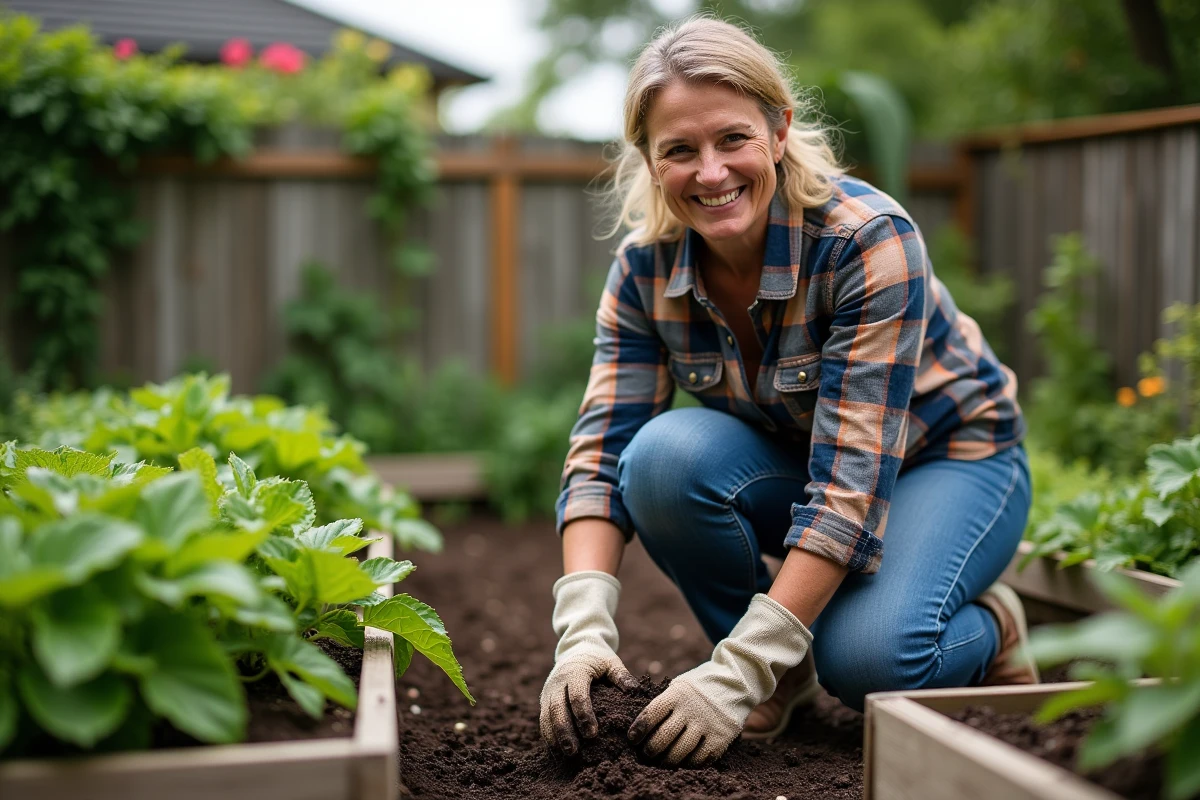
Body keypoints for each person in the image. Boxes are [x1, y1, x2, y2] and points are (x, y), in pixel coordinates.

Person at [538, 16, 1034, 768]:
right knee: (661, 460)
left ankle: (993, 624)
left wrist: (736, 667)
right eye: (679, 150)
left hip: (952, 459)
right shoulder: (644, 272)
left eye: (732, 138)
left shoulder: (865, 241)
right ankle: (781, 678)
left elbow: (850, 487)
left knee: (870, 664)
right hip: (810, 461)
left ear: (778, 131)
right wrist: (582, 632)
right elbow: (602, 453)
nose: (710, 172)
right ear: (649, 159)